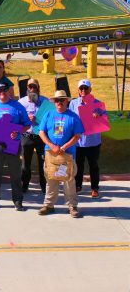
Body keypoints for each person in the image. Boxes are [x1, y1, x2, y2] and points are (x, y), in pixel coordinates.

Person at [38, 90, 85, 218]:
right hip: (51, 154)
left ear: (67, 101)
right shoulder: (48, 114)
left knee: (69, 180)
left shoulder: (73, 116)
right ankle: (48, 205)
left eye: (62, 100)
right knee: (51, 179)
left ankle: (72, 206)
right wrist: (52, 145)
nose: (59, 102)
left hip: (67, 155)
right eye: (57, 100)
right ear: (54, 102)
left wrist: (64, 147)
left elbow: (77, 135)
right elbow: (41, 132)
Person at [68, 79, 104, 198]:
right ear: (78, 90)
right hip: (78, 142)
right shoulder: (73, 103)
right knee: (78, 164)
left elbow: (105, 120)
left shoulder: (98, 103)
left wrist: (99, 115)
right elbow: (70, 118)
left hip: (93, 141)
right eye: (81, 88)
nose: (83, 90)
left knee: (93, 165)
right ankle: (78, 186)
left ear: (90, 89)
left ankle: (95, 188)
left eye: (86, 88)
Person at [18, 78, 47, 194]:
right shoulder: (21, 102)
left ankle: (44, 185)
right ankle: (25, 185)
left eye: (35, 86)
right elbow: (18, 119)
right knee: (26, 163)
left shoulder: (45, 102)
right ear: (27, 89)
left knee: (43, 162)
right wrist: (27, 119)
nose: (32, 89)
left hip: (41, 136)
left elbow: (49, 119)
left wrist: (38, 119)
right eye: (30, 87)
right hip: (27, 136)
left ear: (38, 88)